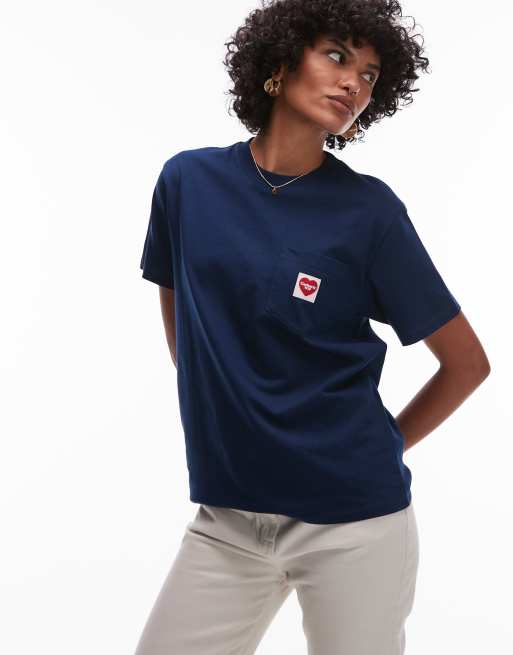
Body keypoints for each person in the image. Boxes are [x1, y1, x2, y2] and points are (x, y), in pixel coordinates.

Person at [135, 1, 491, 653]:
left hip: (354, 524)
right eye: (336, 56)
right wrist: (221, 403)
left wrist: (382, 446)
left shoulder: (369, 212)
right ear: (280, 61)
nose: (353, 82)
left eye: (370, 74)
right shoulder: (187, 182)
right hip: (227, 520)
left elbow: (466, 363)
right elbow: (177, 298)